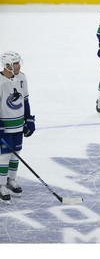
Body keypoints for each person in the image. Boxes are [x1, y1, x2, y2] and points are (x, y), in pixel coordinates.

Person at [0, 51, 35, 203]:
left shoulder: (22, 77)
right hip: (5, 126)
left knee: (16, 153)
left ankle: (10, 180)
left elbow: (25, 100)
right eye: (15, 63)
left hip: (18, 124)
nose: (19, 65)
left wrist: (28, 119)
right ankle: (1, 185)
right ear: (7, 66)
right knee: (5, 155)